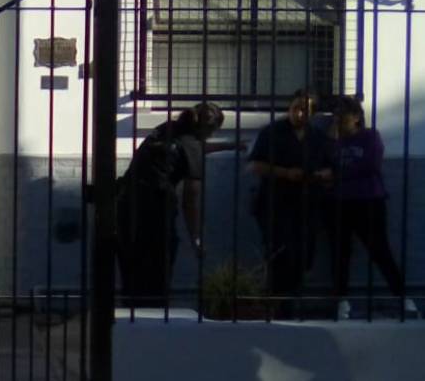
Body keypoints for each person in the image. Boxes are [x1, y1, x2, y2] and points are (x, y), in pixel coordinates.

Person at [116, 101, 234, 307]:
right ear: (209, 130)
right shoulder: (191, 146)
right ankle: (154, 325)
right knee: (156, 275)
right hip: (156, 212)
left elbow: (189, 148)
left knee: (132, 275)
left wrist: (228, 145)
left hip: (125, 206)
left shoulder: (166, 129)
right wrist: (195, 238)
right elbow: (191, 198)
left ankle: (130, 325)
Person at [329, 96, 419, 320]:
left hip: (368, 201)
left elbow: (369, 164)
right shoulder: (333, 143)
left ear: (357, 117)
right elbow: (325, 165)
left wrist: (337, 174)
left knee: (380, 251)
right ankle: (341, 302)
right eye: (337, 116)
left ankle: (403, 298)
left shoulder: (369, 136)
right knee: (340, 253)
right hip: (340, 202)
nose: (339, 119)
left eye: (344, 115)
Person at [248, 90, 333, 316]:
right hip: (275, 204)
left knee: (303, 257)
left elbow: (332, 168)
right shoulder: (273, 132)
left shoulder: (318, 137)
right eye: (296, 107)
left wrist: (324, 175)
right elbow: (255, 165)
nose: (299, 113)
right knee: (280, 255)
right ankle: (279, 307)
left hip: (307, 206)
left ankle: (292, 301)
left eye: (305, 109)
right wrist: (285, 173)